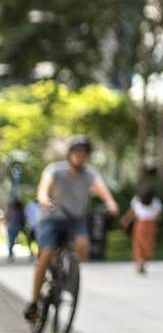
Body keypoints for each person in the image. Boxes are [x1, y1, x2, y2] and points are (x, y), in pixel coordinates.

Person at [24, 136, 119, 323]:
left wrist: (111, 203)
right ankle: (34, 302)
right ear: (70, 154)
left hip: (75, 219)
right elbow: (43, 188)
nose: (80, 157)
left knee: (83, 245)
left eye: (83, 154)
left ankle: (67, 276)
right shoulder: (55, 170)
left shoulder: (90, 174)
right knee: (46, 255)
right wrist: (43, 199)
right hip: (51, 218)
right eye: (76, 153)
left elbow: (102, 190)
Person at [119, 172, 163, 274]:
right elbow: (158, 216)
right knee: (148, 244)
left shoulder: (137, 200)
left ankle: (140, 261)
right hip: (151, 225)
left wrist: (125, 221)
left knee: (138, 244)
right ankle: (142, 261)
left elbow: (131, 213)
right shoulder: (156, 202)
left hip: (140, 224)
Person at [5, 193, 24, 262]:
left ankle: (10, 252)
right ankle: (10, 253)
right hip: (11, 227)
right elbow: (6, 218)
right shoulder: (10, 210)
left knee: (12, 241)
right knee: (11, 241)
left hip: (16, 227)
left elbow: (22, 219)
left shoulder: (19, 211)